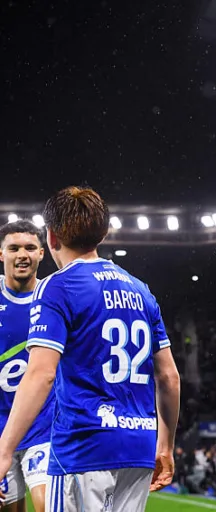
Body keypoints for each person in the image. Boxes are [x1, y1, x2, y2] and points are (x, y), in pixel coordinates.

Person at [0, 186, 181, 511]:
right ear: (104, 233)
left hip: (84, 444)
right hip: (138, 447)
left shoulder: (57, 286)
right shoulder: (141, 290)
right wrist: (165, 445)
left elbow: (41, 374)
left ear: (51, 237)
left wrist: (3, 451)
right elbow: (169, 377)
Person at [0, 221, 54, 511]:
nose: (22, 254)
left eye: (30, 248)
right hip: (1, 427)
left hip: (43, 426)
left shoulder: (54, 297)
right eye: (14, 248)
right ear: (1, 254)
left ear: (41, 253)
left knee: (48, 505)